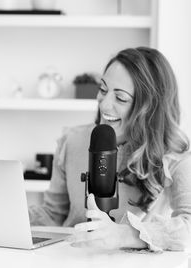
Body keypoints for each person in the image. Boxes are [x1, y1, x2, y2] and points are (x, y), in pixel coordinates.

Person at [29, 47, 191, 252]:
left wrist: (127, 234)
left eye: (121, 98)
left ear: (150, 108)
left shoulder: (175, 155)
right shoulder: (72, 140)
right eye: (103, 90)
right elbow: (53, 214)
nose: (104, 105)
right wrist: (6, 216)